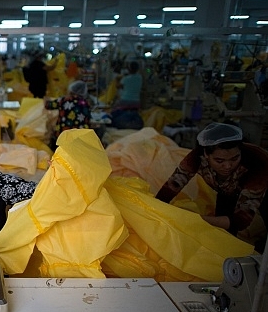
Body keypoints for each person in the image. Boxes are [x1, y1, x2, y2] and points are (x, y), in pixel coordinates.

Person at [156, 122, 268, 253]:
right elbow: (171, 187)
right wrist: (156, 210)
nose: (227, 166)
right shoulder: (196, 157)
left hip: (264, 189)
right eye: (219, 161)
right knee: (223, 234)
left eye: (234, 158)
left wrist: (195, 219)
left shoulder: (257, 163)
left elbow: (240, 220)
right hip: (227, 190)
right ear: (206, 155)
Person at [44, 80, 92, 150]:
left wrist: (46, 98)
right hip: (79, 136)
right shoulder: (85, 103)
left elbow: (48, 105)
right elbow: (88, 119)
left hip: (63, 134)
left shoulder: (64, 100)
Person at [111, 61, 143, 129]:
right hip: (136, 102)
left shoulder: (126, 79)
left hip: (125, 100)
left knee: (113, 111)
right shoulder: (140, 77)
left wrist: (117, 79)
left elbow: (118, 86)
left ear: (129, 69)